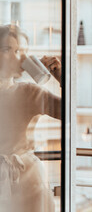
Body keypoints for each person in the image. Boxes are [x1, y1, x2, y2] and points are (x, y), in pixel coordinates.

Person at [0, 24, 61, 212]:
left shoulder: (29, 91)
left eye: (22, 51)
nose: (18, 57)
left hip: (27, 181)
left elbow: (67, 113)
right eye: (8, 49)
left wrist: (61, 77)